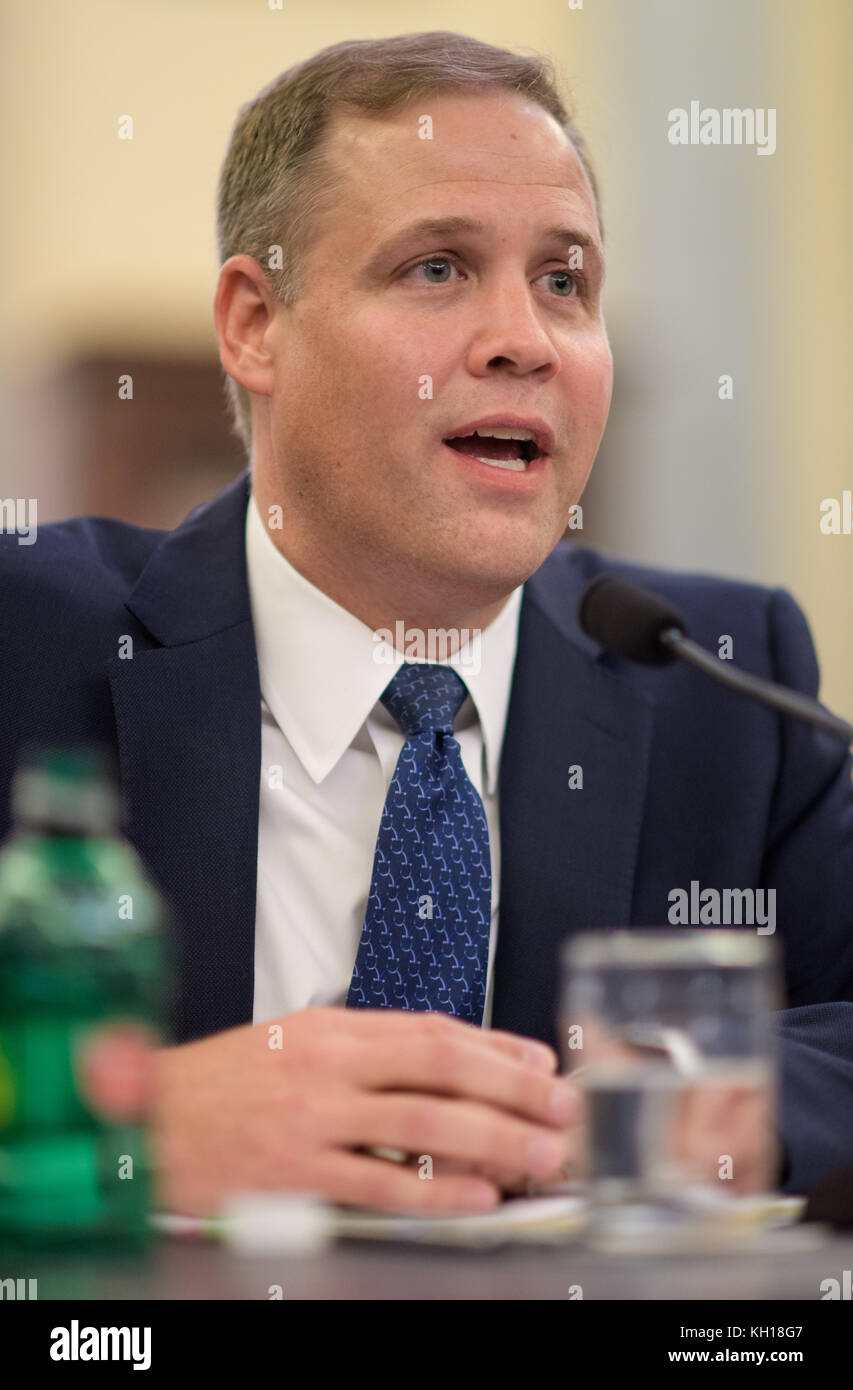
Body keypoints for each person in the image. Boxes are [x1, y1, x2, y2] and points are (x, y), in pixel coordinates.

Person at [2, 32, 852, 1217]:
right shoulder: (27, 642)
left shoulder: (722, 681)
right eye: (437, 268)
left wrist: (695, 1118)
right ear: (255, 324)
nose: (525, 338)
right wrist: (116, 1131)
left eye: (565, 281)